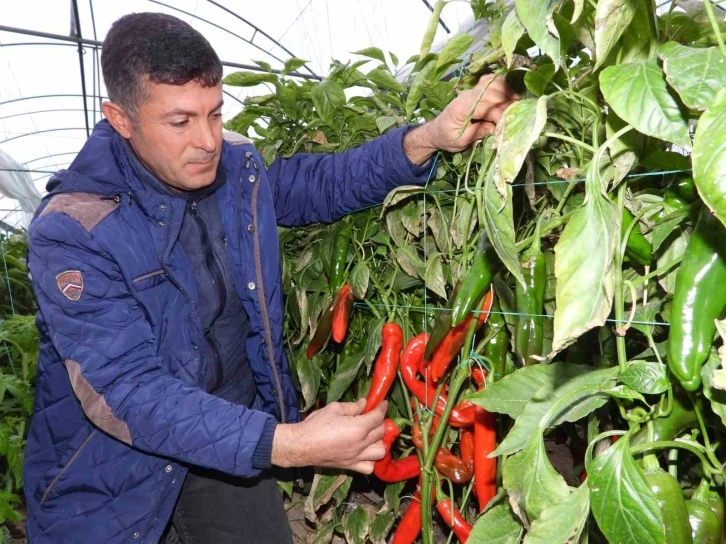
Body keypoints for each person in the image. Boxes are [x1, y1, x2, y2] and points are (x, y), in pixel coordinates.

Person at [22, 11, 518, 544]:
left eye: (214, 114)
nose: (208, 140)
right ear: (120, 119)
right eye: (180, 121)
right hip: (116, 469)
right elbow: (129, 393)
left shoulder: (232, 167)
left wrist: (428, 138)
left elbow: (319, 184)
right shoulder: (75, 229)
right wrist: (292, 444)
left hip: (228, 434)